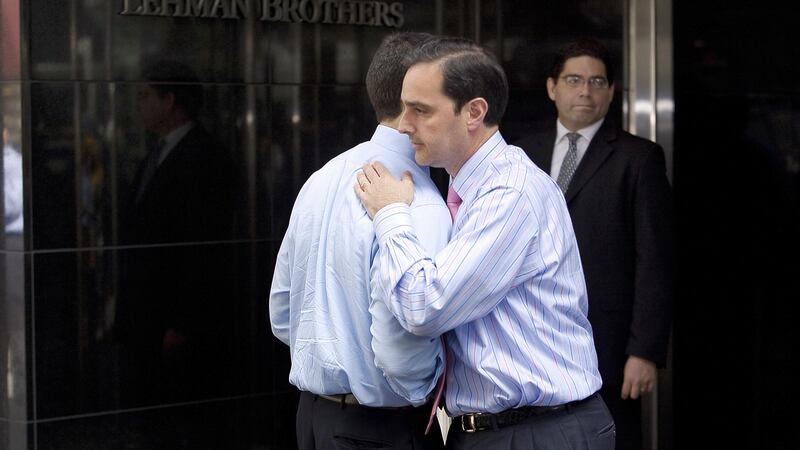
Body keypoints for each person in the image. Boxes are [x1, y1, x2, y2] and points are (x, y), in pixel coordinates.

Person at [355, 36, 615, 450]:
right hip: (502, 430)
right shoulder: (469, 188)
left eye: (420, 110)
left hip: (537, 433)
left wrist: (390, 214)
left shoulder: (508, 194)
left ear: (474, 112)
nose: (404, 124)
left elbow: (424, 306)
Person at [268, 32, 450, 450]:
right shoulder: (416, 199)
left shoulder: (322, 177)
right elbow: (401, 338)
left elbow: (282, 313)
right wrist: (425, 393)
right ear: (416, 97)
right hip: (380, 426)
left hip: (313, 417)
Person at [514, 38, 673, 450]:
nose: (585, 90)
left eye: (597, 81)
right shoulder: (519, 154)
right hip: (529, 341)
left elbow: (655, 260)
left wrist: (645, 351)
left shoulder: (640, 158)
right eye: (573, 80)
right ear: (552, 87)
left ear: (611, 90)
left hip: (609, 347)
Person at [117, 60, 237, 405]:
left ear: (170, 101)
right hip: (145, 317)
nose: (137, 104)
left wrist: (182, 323)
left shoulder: (205, 158)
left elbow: (203, 251)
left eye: (144, 95)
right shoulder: (156, 153)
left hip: (175, 322)